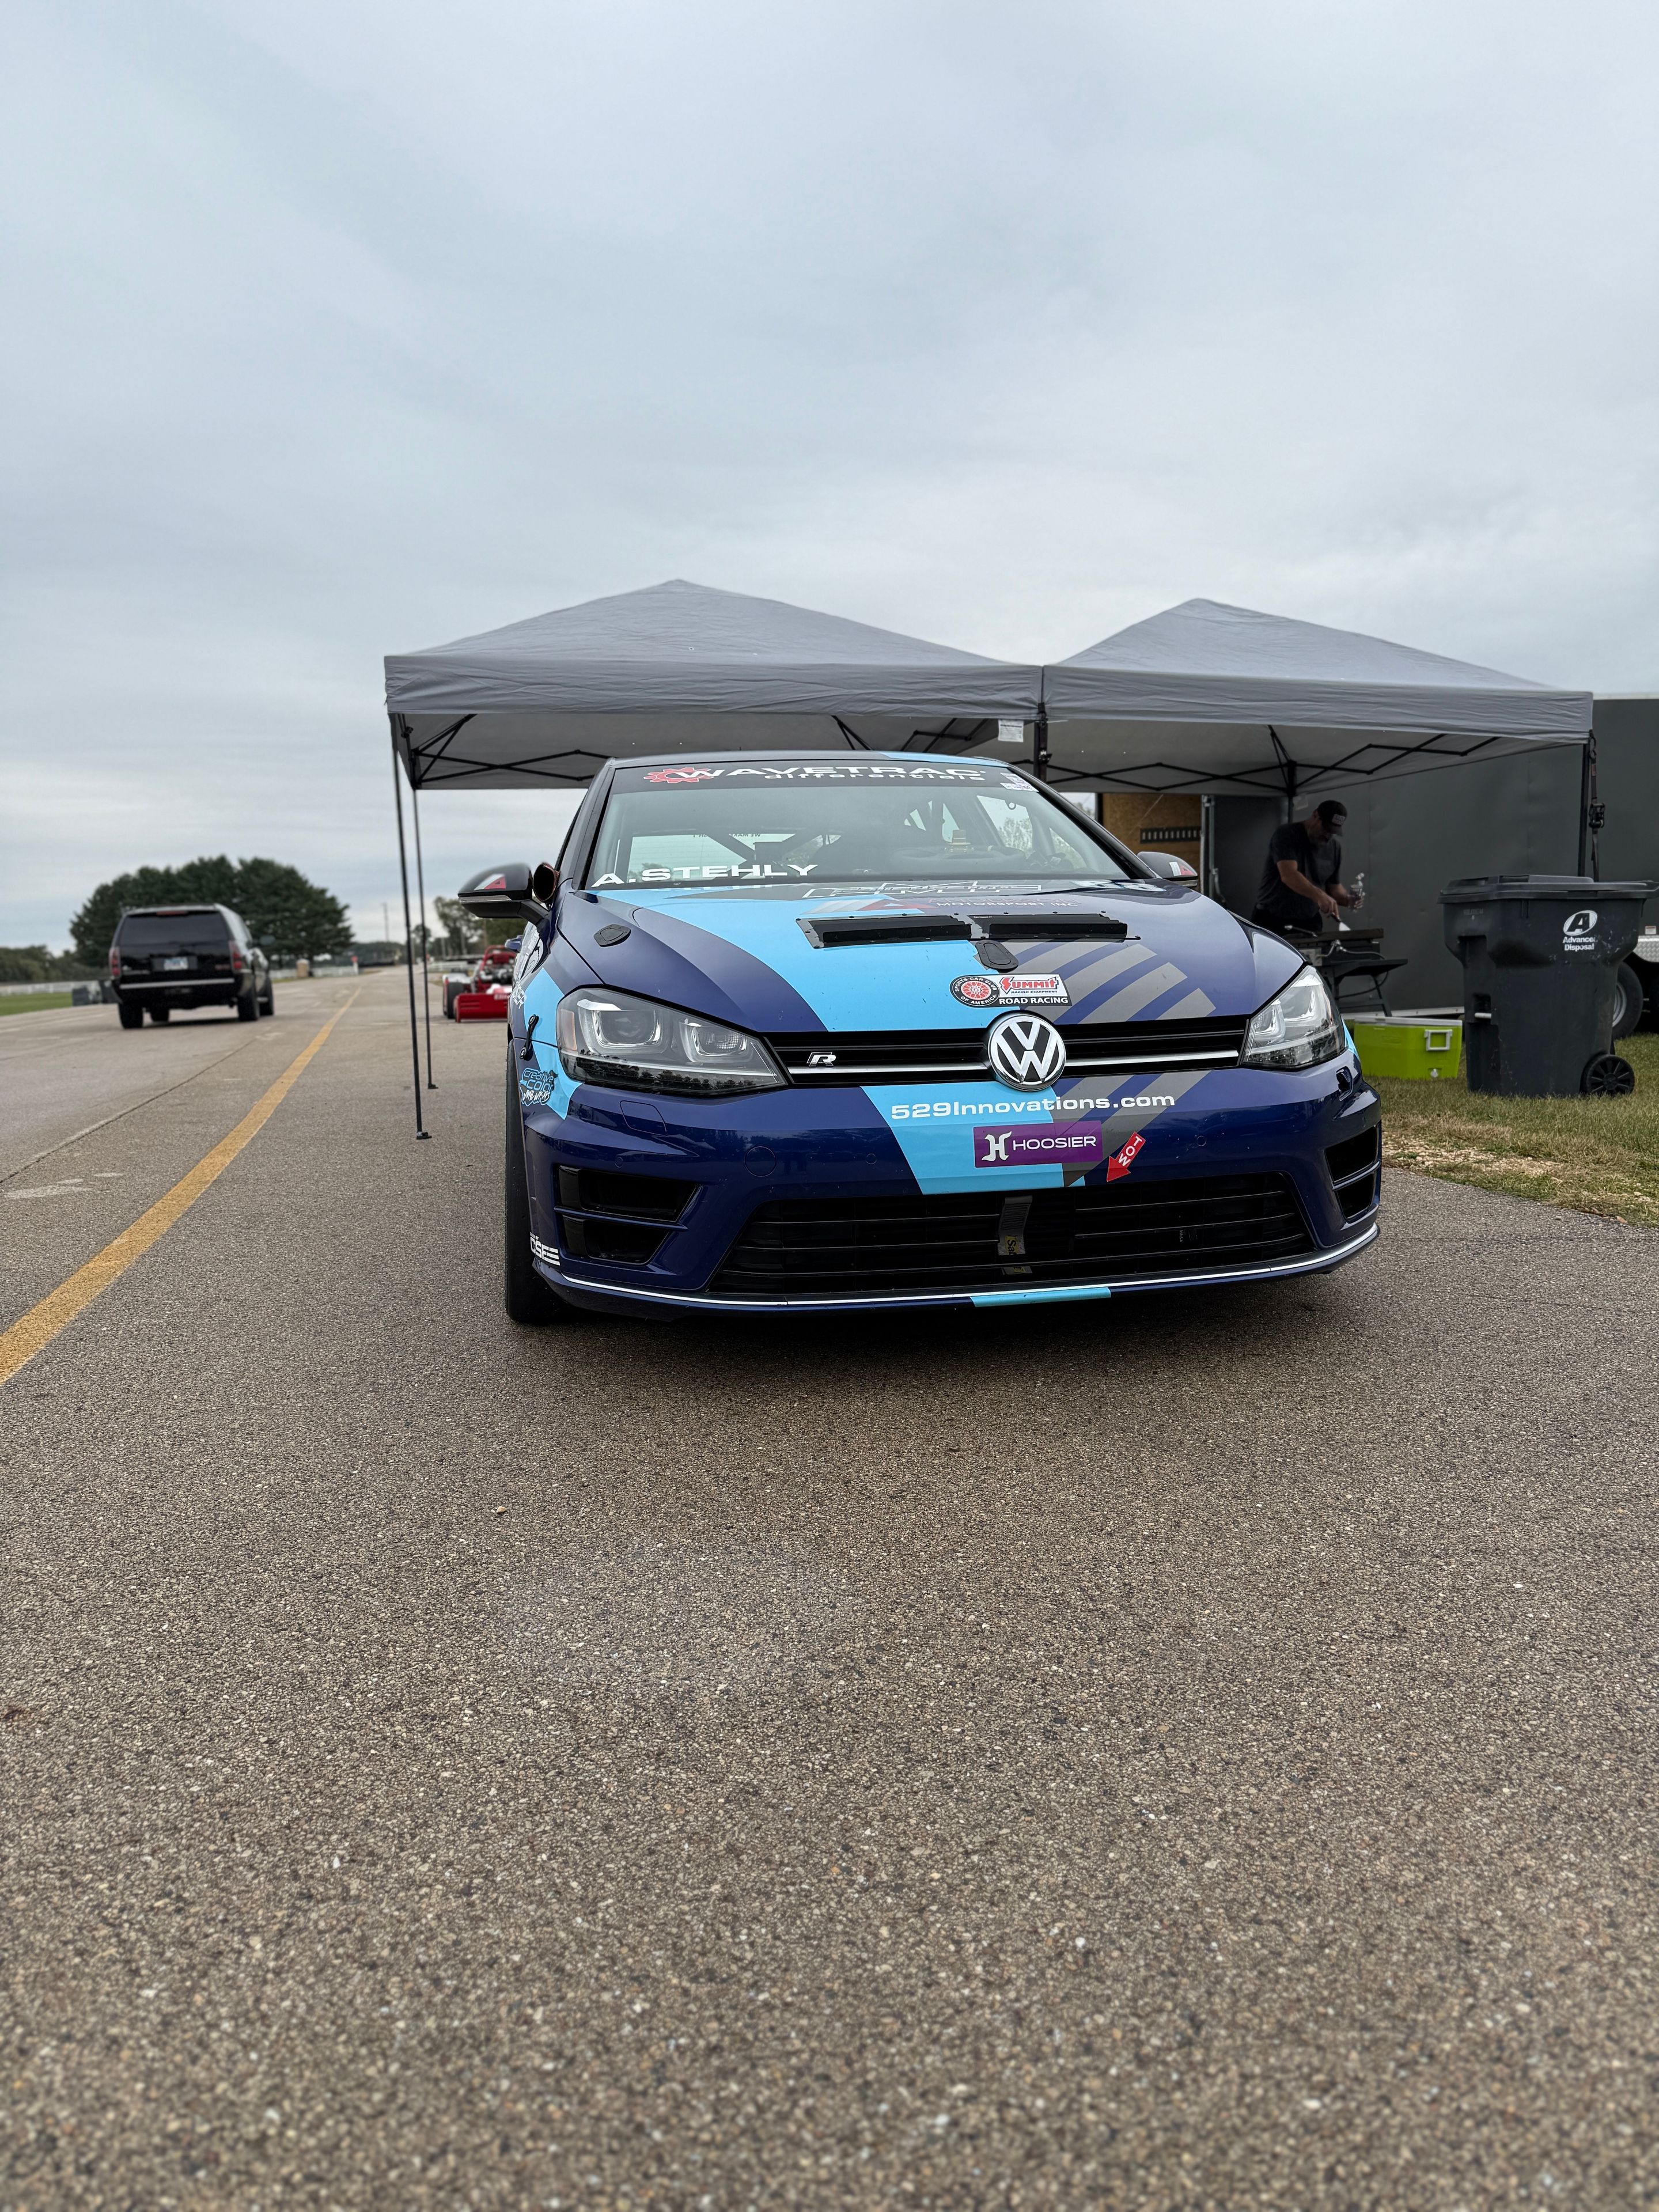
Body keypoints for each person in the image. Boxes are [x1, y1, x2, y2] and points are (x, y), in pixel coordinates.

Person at [1251, 799, 1359, 933]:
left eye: (1333, 832)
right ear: (1315, 815)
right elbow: (1289, 875)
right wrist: (1320, 895)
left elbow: (1334, 888)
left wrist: (1348, 900)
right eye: (1325, 829)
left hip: (1308, 921)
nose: (1327, 835)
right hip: (1272, 918)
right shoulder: (1287, 834)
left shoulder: (1334, 848)